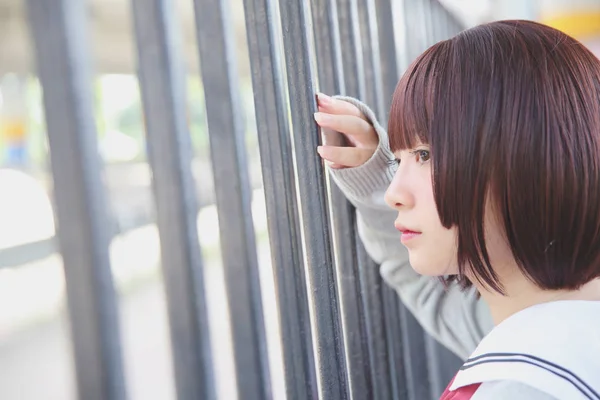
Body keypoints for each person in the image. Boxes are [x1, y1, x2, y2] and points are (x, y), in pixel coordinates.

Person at [315, 20, 600, 399]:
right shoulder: (553, 331)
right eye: (400, 161)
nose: (393, 193)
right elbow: (424, 284)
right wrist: (374, 171)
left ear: (528, 154)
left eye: (425, 154)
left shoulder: (529, 383)